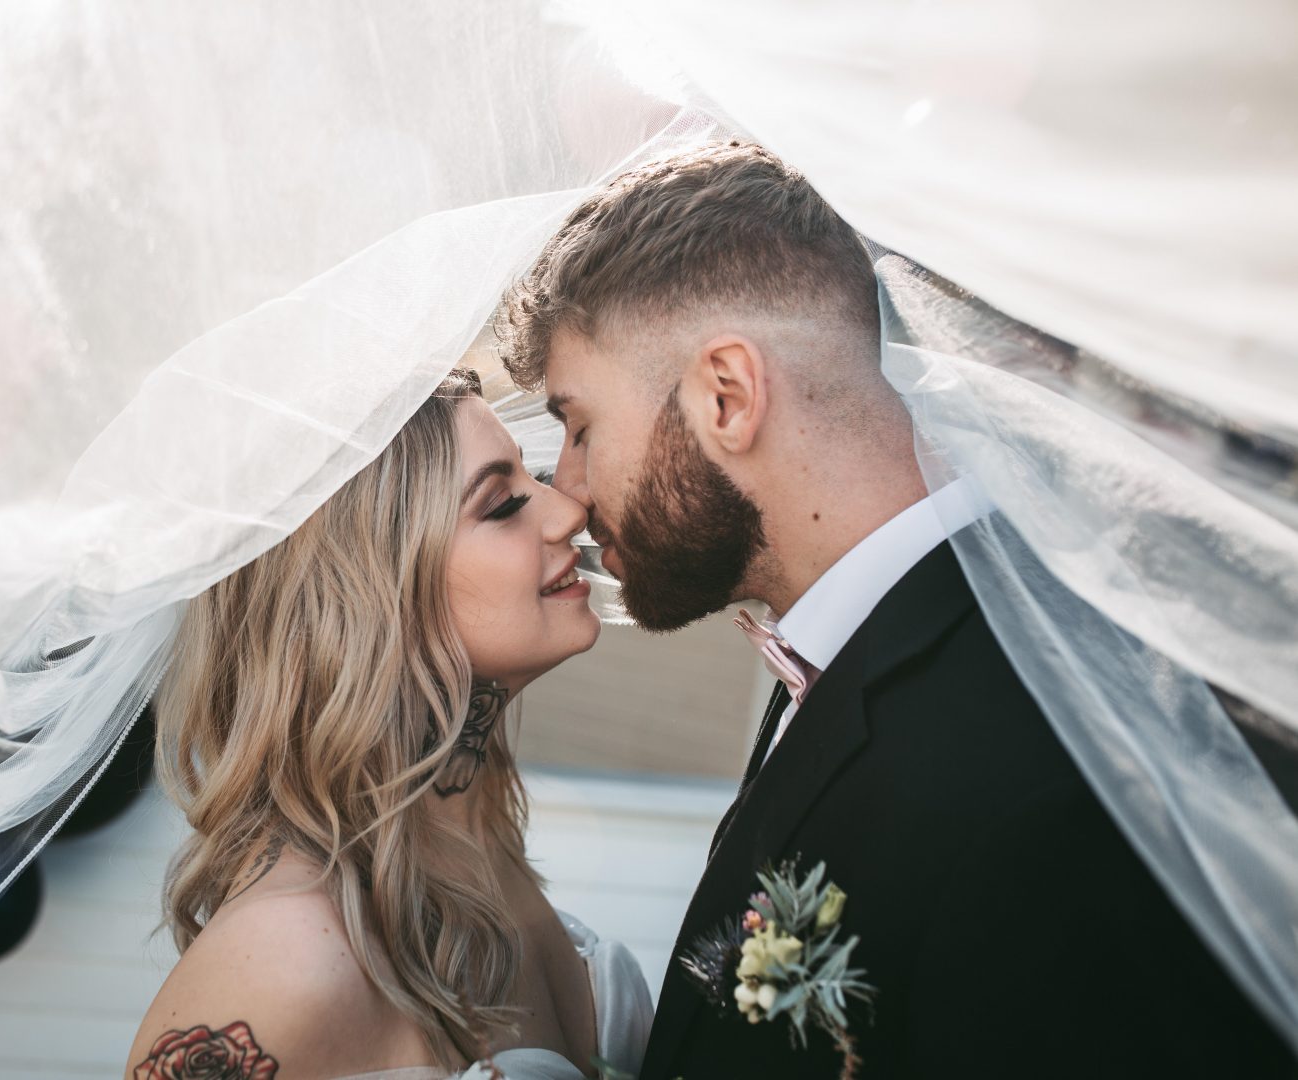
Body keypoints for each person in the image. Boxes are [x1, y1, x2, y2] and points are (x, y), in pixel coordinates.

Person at [498, 141, 1295, 1078]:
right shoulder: (872, 651)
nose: (569, 491)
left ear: (728, 396)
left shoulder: (1043, 773)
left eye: (580, 427)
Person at [125, 370, 653, 1080]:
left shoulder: (475, 847)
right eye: (501, 505)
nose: (566, 512)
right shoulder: (285, 960)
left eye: (535, 476)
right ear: (368, 598)